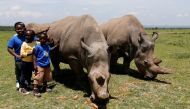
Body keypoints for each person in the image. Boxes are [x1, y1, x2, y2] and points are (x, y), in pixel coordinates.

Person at [32, 30, 57, 97]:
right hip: (39, 64)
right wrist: (34, 65)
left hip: (47, 64)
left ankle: (46, 87)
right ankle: (35, 89)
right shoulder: (37, 47)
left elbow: (50, 49)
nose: (43, 40)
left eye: (44, 38)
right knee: (38, 77)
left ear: (46, 39)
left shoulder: (47, 46)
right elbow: (34, 56)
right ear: (39, 39)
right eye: (41, 39)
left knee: (47, 76)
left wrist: (56, 45)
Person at [7, 22, 26, 90]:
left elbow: (37, 40)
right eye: (18, 29)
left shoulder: (28, 36)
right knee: (19, 71)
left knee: (26, 71)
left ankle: (26, 81)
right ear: (15, 30)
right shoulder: (14, 39)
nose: (20, 30)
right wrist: (16, 55)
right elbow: (9, 48)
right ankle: (18, 82)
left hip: (29, 59)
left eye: (21, 28)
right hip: (19, 59)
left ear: (25, 29)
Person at [19, 30, 36, 94]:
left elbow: (42, 43)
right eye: (26, 35)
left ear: (33, 36)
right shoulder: (24, 44)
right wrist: (31, 53)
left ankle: (28, 85)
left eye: (29, 35)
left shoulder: (35, 42)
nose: (27, 36)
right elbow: (22, 55)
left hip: (32, 62)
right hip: (25, 63)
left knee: (29, 75)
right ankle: (22, 88)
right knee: (23, 75)